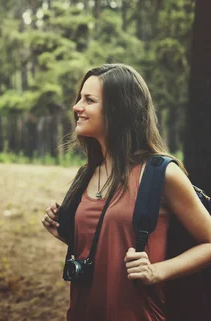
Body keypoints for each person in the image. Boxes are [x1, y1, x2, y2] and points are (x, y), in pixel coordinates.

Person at [41, 63, 211, 321]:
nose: (77, 107)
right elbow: (109, 243)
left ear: (117, 110)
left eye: (89, 100)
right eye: (79, 98)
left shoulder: (160, 173)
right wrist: (66, 232)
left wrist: (157, 271)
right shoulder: (87, 173)